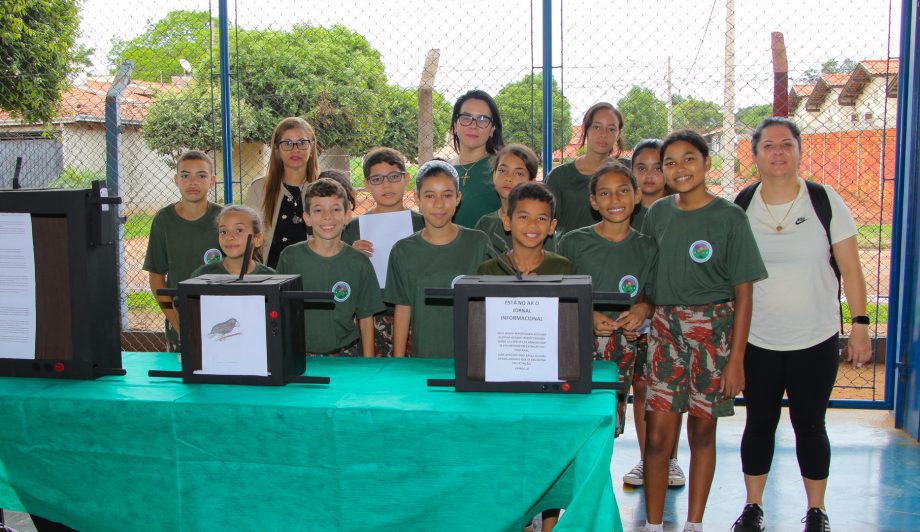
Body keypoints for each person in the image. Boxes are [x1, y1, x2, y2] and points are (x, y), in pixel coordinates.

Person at [730, 118, 872, 532]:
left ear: (798, 151)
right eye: (768, 145)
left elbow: (851, 267)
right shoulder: (742, 204)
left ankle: (816, 510)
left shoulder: (824, 200)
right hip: (758, 339)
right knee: (758, 423)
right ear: (754, 155)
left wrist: (860, 323)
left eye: (787, 144)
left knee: (811, 424)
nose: (778, 152)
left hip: (815, 337)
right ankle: (753, 507)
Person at [640, 130, 767, 532]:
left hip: (713, 334)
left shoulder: (729, 217)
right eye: (670, 163)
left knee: (702, 432)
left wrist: (736, 362)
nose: (680, 169)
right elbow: (646, 276)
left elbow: (744, 296)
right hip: (665, 331)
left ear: (707, 163)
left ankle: (694, 523)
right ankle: (656, 523)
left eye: (689, 159)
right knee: (658, 437)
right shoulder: (658, 213)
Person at [557, 162, 655, 440]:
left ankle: (600, 482)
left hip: (624, 351)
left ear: (636, 195)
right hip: (576, 348)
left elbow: (652, 294)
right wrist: (587, 315)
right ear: (593, 201)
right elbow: (559, 295)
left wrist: (643, 308)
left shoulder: (647, 246)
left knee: (608, 422)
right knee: (574, 419)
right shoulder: (573, 243)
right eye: (605, 193)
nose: (614, 200)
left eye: (623, 191)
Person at [623, 139, 686, 488]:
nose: (649, 175)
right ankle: (648, 459)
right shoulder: (622, 212)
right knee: (641, 384)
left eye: (657, 167)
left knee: (667, 387)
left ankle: (670, 459)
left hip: (669, 314)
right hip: (636, 316)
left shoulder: (676, 212)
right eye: (641, 167)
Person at [384, 160, 491, 357]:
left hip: (474, 358)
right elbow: (403, 308)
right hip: (425, 357)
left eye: (447, 195)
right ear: (417, 198)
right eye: (430, 195)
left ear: (458, 198)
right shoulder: (403, 251)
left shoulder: (479, 243)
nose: (439, 204)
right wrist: (398, 363)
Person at [275, 178, 384, 357]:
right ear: (307, 218)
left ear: (347, 216)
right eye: (318, 210)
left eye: (335, 209)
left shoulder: (359, 262)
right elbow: (280, 312)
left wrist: (368, 364)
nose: (327, 217)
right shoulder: (290, 258)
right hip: (300, 354)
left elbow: (366, 318)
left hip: (347, 353)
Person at [342, 147, 425, 356]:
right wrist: (351, 256)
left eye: (393, 177)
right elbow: (339, 275)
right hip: (369, 317)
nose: (386, 185)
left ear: (406, 178)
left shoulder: (423, 224)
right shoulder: (353, 228)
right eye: (377, 179)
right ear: (367, 185)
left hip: (414, 316)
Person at [143, 150, 222, 352]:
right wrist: (178, 324)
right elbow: (157, 278)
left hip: (221, 317)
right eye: (186, 176)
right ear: (177, 180)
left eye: (201, 176)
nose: (193, 182)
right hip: (180, 319)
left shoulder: (224, 218)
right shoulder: (163, 220)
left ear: (212, 180)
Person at [244, 117, 320, 268]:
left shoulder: (324, 189)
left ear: (312, 147)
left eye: (302, 143)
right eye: (287, 143)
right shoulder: (259, 189)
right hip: (271, 278)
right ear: (277, 150)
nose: (295, 149)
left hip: (314, 275)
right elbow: (248, 240)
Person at [546, 102, 626, 235]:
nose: (603, 134)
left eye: (611, 129)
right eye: (596, 127)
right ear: (585, 129)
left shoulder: (628, 172)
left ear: (618, 134)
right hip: (571, 254)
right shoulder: (559, 177)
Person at [478, 181, 572, 275]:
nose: (532, 224)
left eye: (541, 218)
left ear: (551, 226)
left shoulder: (562, 268)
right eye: (524, 217)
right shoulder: (488, 271)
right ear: (507, 222)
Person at [474, 143, 549, 253]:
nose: (508, 178)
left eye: (518, 173)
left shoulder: (540, 224)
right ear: (493, 175)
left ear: (531, 182)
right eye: (502, 170)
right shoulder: (484, 224)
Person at [450, 89, 504, 228]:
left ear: (492, 129)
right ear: (455, 125)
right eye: (466, 118)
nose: (473, 125)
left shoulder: (503, 170)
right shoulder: (442, 170)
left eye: (482, 119)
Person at [190, 205, 276, 276]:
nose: (230, 237)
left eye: (239, 230)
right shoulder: (202, 275)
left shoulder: (271, 277)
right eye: (224, 232)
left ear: (257, 239)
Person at [630, 138, 672, 230]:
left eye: (657, 169)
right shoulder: (623, 210)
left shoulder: (678, 210)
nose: (649, 175)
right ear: (632, 170)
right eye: (642, 168)